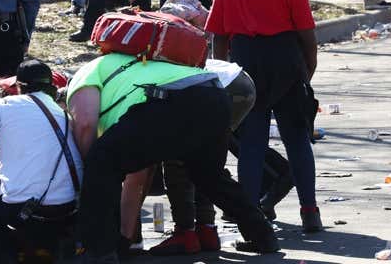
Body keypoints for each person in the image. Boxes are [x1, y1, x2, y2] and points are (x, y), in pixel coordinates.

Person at [68, 55, 279, 262]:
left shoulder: (82, 77)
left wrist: (88, 176)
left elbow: (85, 125)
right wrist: (125, 240)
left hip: (173, 99)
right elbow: (137, 177)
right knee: (210, 177)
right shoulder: (125, 66)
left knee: (100, 160)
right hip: (215, 94)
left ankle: (98, 252)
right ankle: (263, 235)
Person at [207, 0, 322, 233]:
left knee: (252, 146)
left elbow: (218, 35)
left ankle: (250, 216)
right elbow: (307, 38)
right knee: (298, 141)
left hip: (247, 69)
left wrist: (226, 73)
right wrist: (306, 75)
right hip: (287, 66)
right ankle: (309, 211)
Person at [0, 59, 83, 263]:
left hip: (25, 213)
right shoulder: (63, 114)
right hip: (68, 210)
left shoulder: (6, 105)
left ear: (19, 86)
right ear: (51, 86)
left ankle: (3, 253)